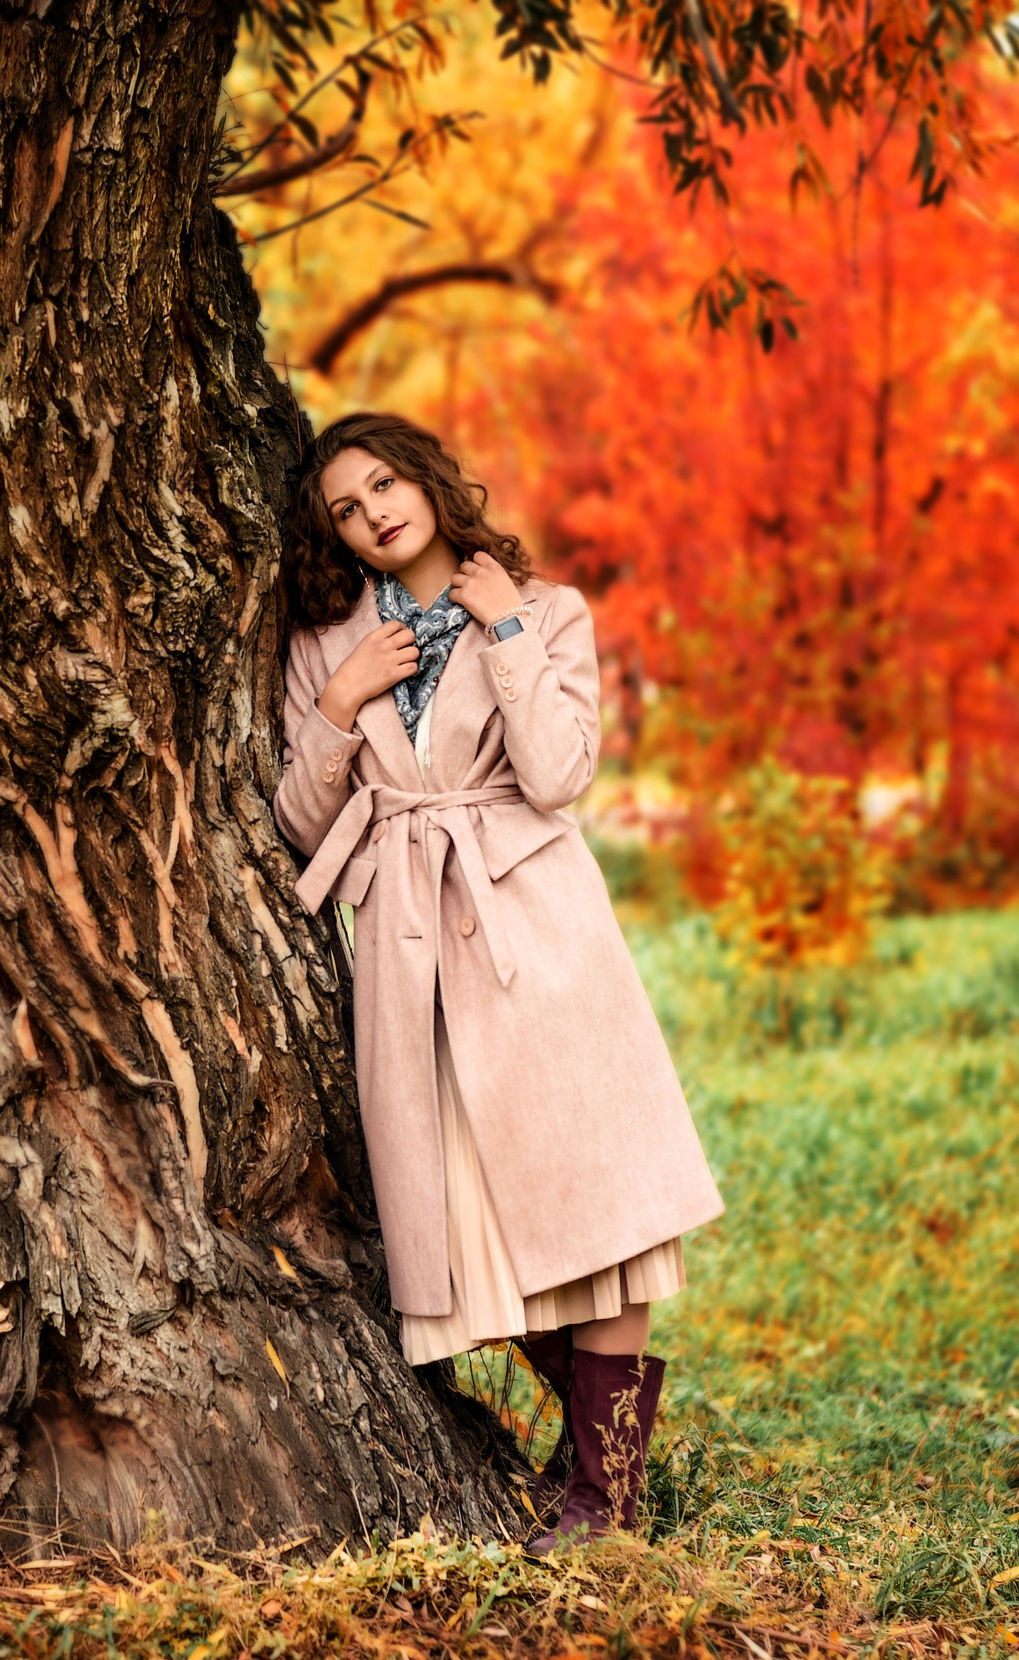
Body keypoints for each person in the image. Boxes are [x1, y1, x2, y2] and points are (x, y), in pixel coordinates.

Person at [271, 412, 725, 1553]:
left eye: (385, 482)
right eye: (345, 505)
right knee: (450, 1214)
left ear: (425, 478)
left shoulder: (546, 607)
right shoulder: (325, 642)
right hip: (408, 942)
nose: (374, 509)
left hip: (538, 929)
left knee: (599, 1207)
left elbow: (559, 771)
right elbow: (295, 820)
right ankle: (597, 1446)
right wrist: (339, 703)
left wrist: (507, 630)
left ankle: (602, 1490)